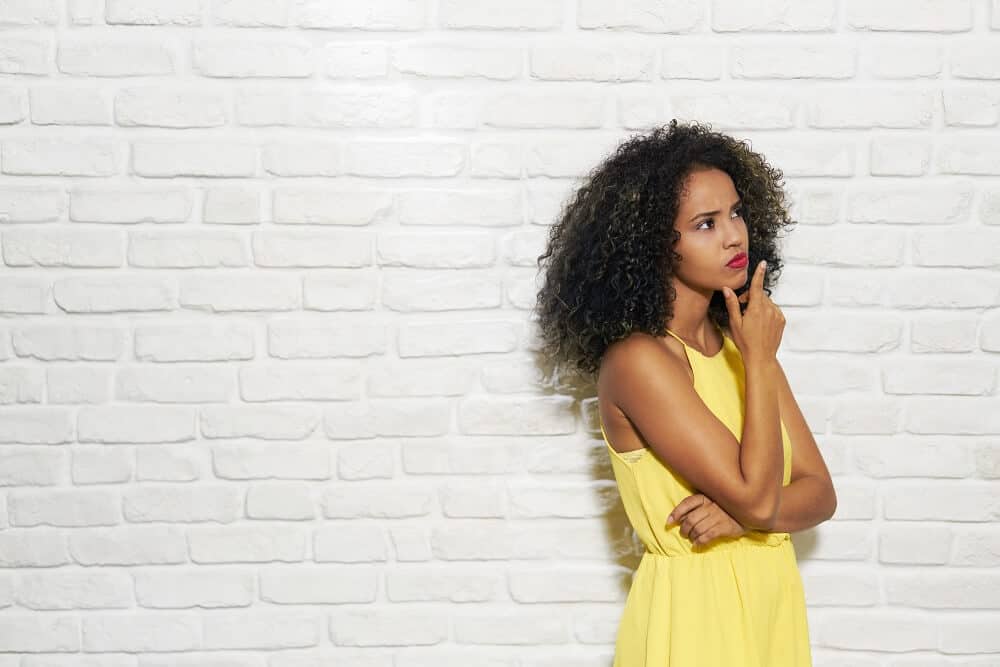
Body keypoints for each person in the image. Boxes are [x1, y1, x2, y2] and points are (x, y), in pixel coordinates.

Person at [534, 119, 837, 666]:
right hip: (698, 619)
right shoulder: (640, 361)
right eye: (705, 223)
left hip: (772, 605)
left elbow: (820, 494)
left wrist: (743, 515)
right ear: (654, 244)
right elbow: (764, 496)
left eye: (737, 212)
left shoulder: (742, 348)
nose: (733, 235)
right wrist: (763, 364)